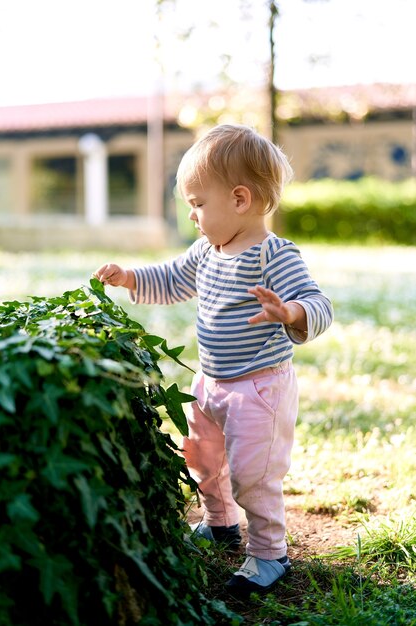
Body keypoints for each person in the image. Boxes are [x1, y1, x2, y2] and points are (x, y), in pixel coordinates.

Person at [93, 124, 333, 599]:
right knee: (202, 457)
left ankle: (269, 554)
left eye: (199, 203)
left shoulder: (273, 255)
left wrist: (290, 312)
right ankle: (220, 522)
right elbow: (172, 278)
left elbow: (318, 303)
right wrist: (130, 277)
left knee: (253, 475)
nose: (192, 214)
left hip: (259, 390)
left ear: (240, 200)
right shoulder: (207, 251)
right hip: (213, 383)